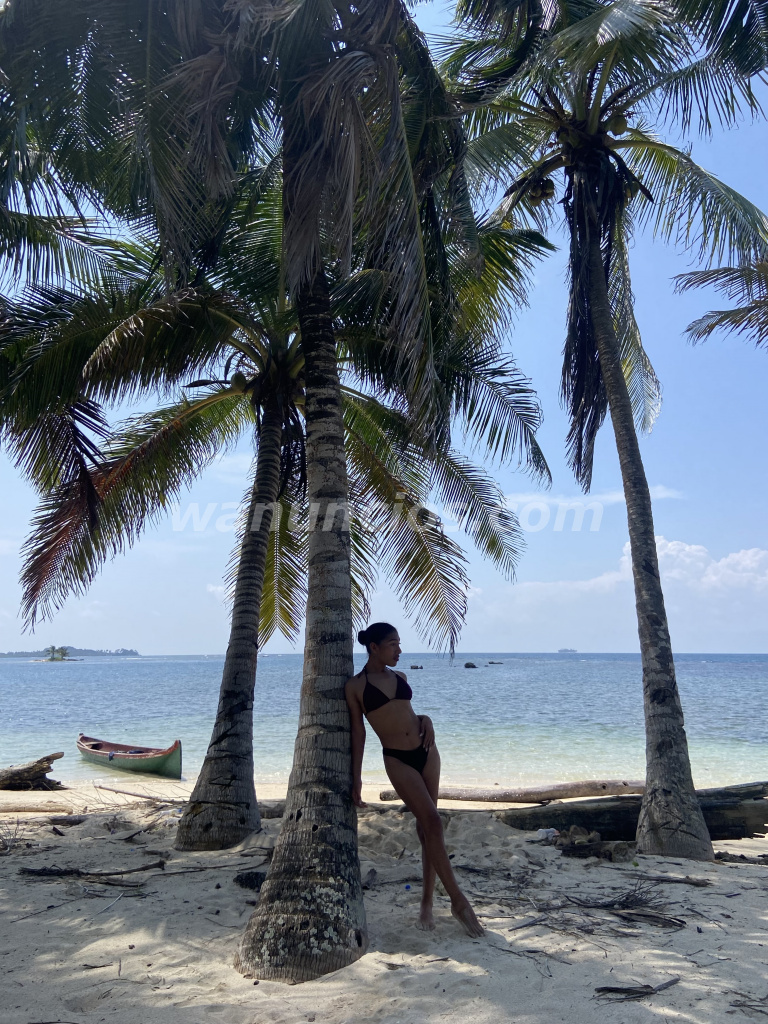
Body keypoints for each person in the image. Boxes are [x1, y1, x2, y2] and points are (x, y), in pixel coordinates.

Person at [345, 622, 484, 937]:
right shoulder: (355, 686)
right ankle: (458, 901)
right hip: (397, 759)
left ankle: (427, 903)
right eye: (393, 644)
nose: (399, 650)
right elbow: (358, 733)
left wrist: (427, 719)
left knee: (428, 828)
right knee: (432, 822)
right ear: (374, 647)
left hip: (427, 752)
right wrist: (357, 778)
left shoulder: (400, 677)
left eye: (399, 643)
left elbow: (408, 713)